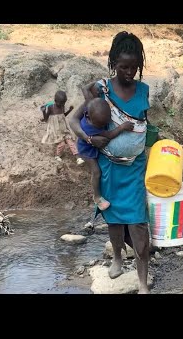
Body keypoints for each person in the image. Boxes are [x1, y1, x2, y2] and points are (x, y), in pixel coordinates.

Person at [70, 31, 154, 294]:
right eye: (123, 66)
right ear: (113, 63)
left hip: (136, 167)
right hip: (108, 167)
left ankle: (142, 285)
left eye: (134, 67)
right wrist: (88, 138)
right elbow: (72, 120)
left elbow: (144, 124)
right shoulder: (101, 89)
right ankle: (117, 258)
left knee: (139, 223)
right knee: (115, 219)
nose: (129, 72)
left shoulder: (144, 90)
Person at [77, 97, 134, 211]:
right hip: (86, 151)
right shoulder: (90, 127)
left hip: (89, 146)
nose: (103, 125)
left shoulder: (89, 111)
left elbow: (86, 90)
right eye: (100, 125)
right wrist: (122, 127)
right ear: (88, 116)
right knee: (96, 172)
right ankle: (97, 197)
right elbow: (109, 135)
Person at [41, 90, 84, 165]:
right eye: (60, 103)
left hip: (63, 128)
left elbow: (63, 116)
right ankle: (57, 156)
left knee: (71, 142)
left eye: (64, 103)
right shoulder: (51, 108)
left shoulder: (62, 106)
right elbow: (45, 119)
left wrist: (69, 110)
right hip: (56, 130)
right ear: (55, 100)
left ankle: (78, 158)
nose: (62, 105)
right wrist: (44, 112)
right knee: (62, 144)